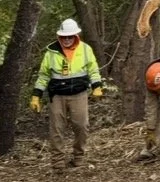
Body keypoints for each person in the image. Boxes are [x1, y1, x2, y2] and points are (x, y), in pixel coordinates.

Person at [30, 18, 104, 169]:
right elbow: (43, 76)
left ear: (76, 36)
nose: (67, 39)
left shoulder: (85, 49)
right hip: (57, 95)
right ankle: (57, 161)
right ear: (59, 37)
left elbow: (93, 70)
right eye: (64, 37)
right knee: (57, 128)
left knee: (81, 126)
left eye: (70, 36)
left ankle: (79, 157)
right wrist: (36, 96)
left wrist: (97, 86)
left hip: (79, 93)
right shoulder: (51, 52)